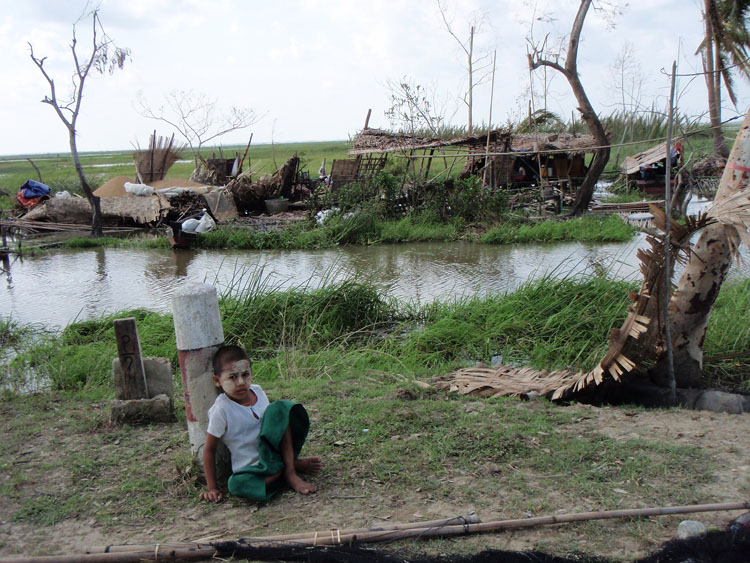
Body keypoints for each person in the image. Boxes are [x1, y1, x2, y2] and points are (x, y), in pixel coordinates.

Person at [200, 345, 322, 502]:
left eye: (246, 374)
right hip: (252, 469)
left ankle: (290, 473)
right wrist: (212, 488)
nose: (241, 382)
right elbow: (210, 449)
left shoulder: (258, 391)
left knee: (279, 409)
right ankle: (286, 468)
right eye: (232, 377)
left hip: (274, 453)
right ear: (217, 381)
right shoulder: (221, 409)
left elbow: (276, 425)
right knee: (235, 484)